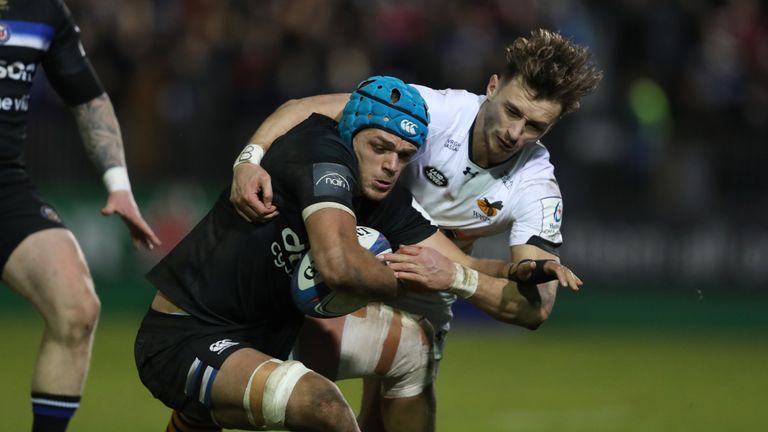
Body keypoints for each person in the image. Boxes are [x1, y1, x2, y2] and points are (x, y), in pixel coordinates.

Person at [229, 29, 600, 431]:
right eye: (512, 111)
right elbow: (306, 108)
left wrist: (455, 277)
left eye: (535, 126)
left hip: (431, 283)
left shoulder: (537, 187)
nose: (515, 133)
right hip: (353, 253)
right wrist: (249, 159)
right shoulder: (436, 111)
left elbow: (536, 307)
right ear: (492, 87)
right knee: (292, 388)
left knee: (384, 415)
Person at [0, 1, 160, 431]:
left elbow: (88, 98)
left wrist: (119, 186)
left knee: (77, 308)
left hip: (5, 188)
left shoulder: (41, 10)